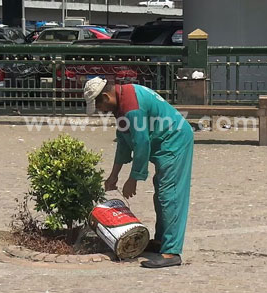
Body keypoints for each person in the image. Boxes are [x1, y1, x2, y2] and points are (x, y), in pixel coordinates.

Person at [83, 77, 194, 268]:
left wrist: (134, 178)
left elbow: (142, 143)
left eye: (99, 105)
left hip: (175, 140)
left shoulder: (131, 106)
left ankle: (172, 252)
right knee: (161, 195)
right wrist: (113, 175)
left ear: (106, 96)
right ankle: (161, 242)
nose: (100, 111)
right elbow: (124, 142)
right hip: (165, 141)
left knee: (170, 194)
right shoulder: (122, 103)